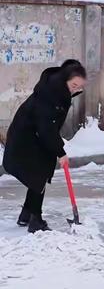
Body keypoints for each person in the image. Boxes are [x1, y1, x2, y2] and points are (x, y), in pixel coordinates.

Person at [2, 60, 87, 233]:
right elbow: (46, 128)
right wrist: (60, 152)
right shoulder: (51, 95)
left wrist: (56, 148)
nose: (76, 90)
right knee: (39, 173)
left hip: (32, 136)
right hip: (26, 139)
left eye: (79, 87)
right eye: (74, 85)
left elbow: (48, 127)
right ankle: (36, 221)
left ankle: (26, 214)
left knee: (38, 176)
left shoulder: (57, 90)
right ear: (64, 79)